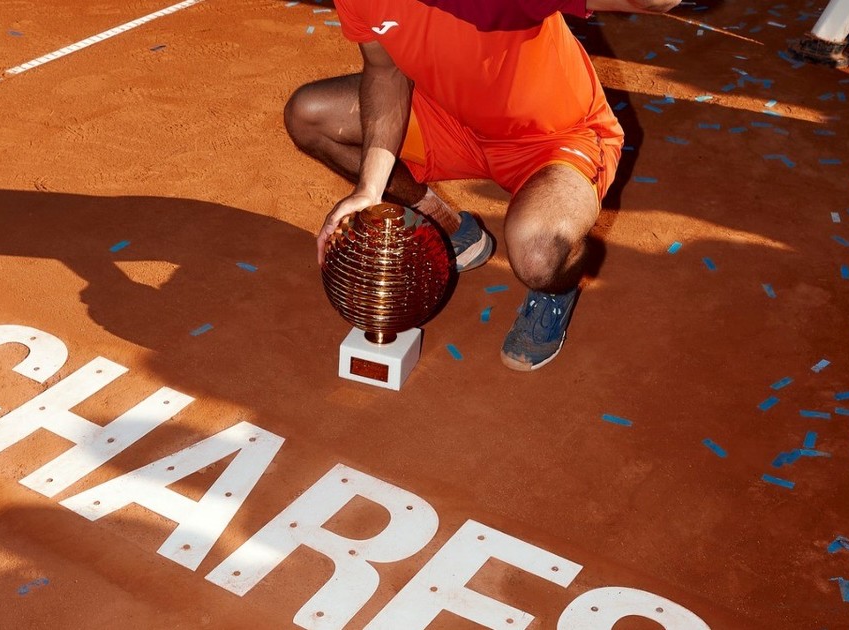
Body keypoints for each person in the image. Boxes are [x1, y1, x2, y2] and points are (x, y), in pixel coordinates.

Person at [285, 0, 678, 371]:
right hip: (453, 122)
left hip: (555, 138)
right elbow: (384, 73)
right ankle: (448, 225)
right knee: (309, 116)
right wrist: (369, 189)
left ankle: (554, 289)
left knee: (539, 256)